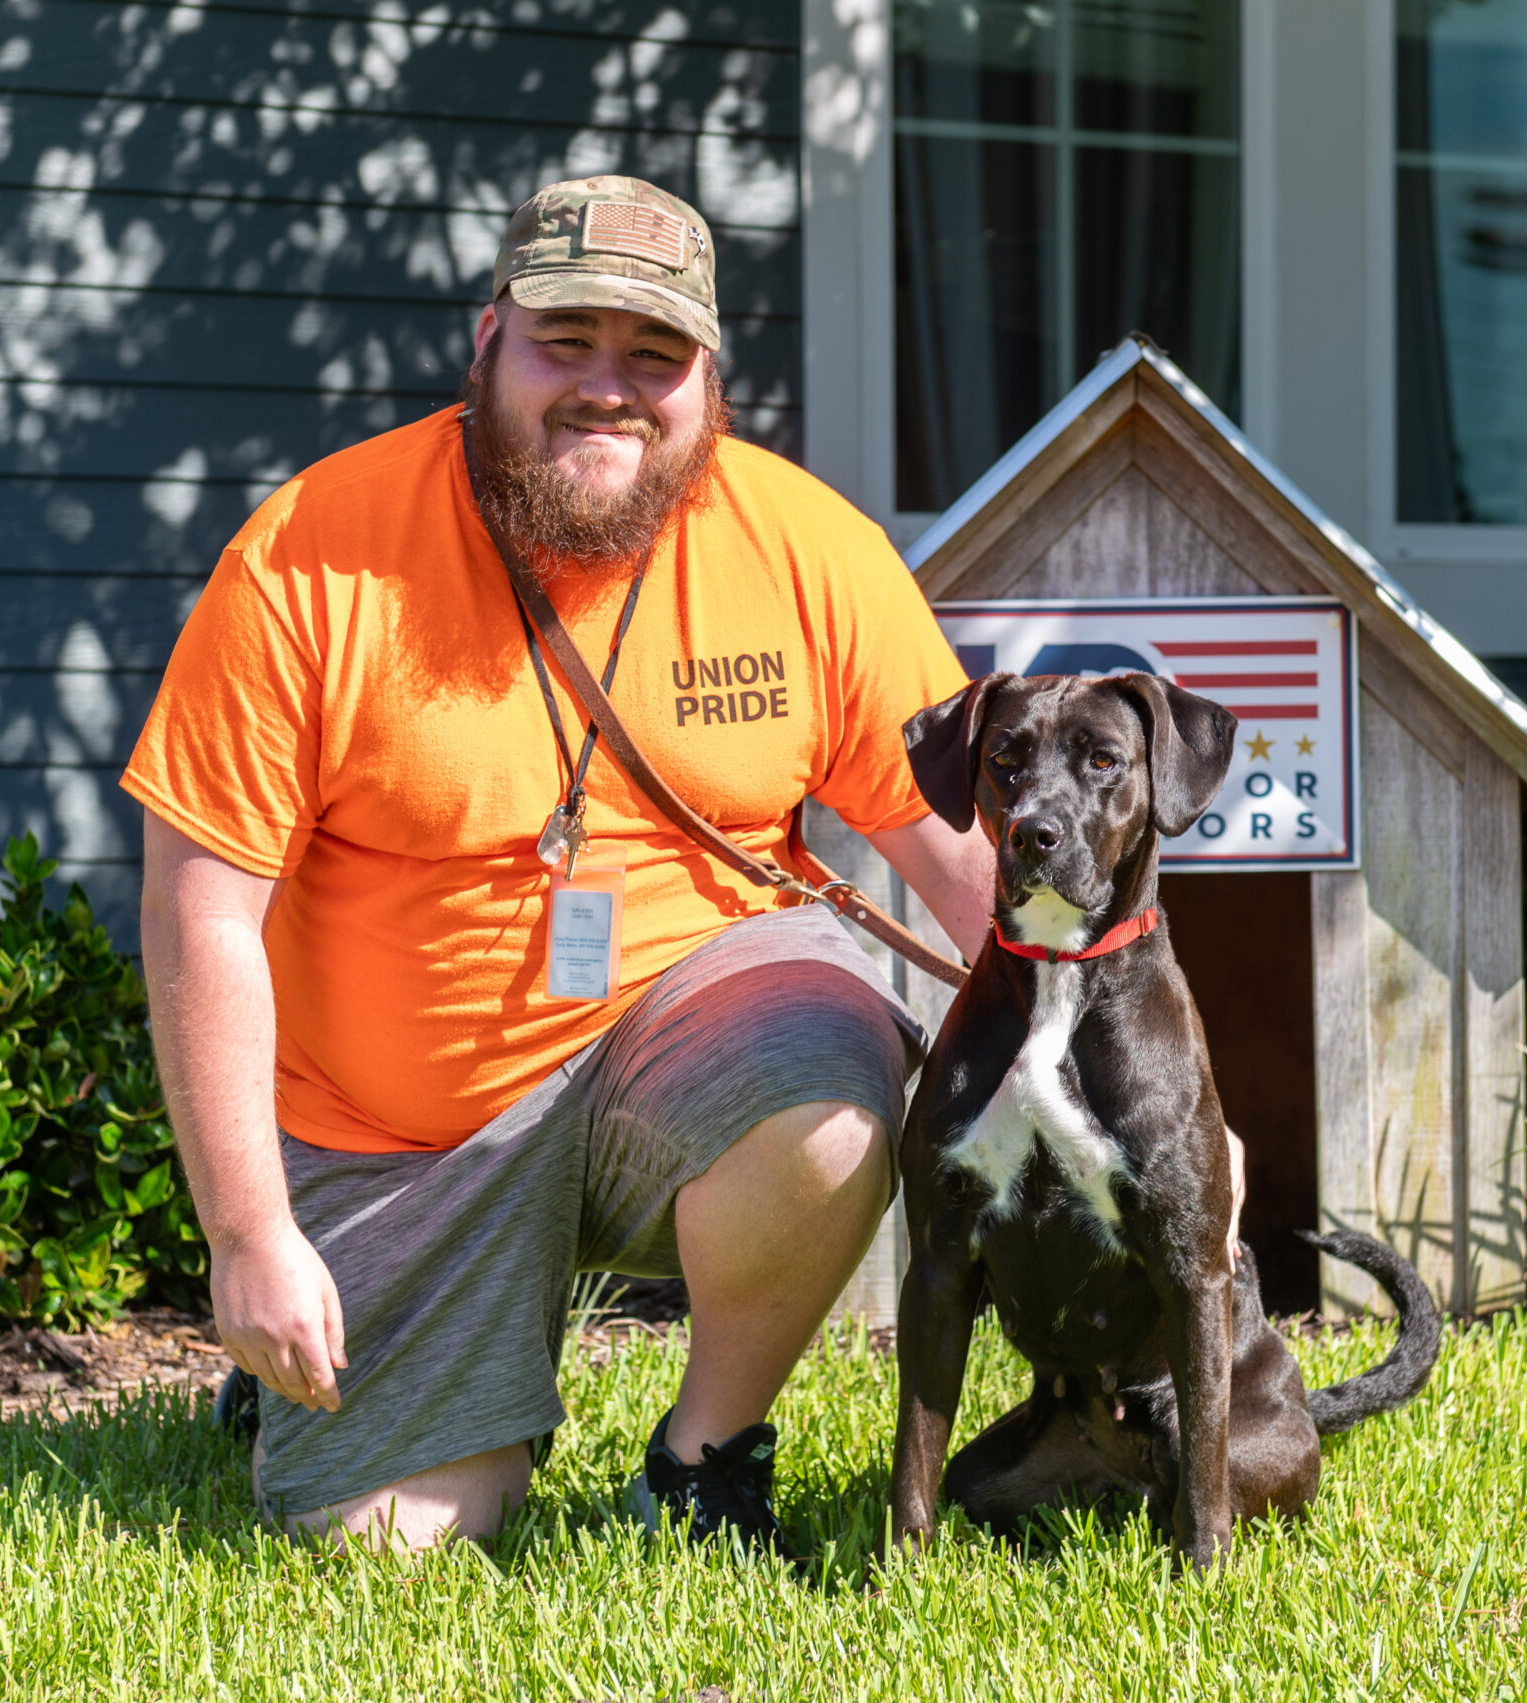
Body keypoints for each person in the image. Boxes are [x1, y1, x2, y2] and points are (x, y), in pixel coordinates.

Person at [121, 175, 995, 1553]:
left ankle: (706, 1460)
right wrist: (248, 1236)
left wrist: (1159, 1100)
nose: (612, 389)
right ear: (487, 342)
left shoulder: (812, 550)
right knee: (393, 1545)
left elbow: (977, 867)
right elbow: (200, 912)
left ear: (710, 382)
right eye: (565, 342)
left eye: (656, 356)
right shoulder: (310, 555)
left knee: (833, 1101)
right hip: (404, 1129)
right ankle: (347, 1361)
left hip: (686, 1044)